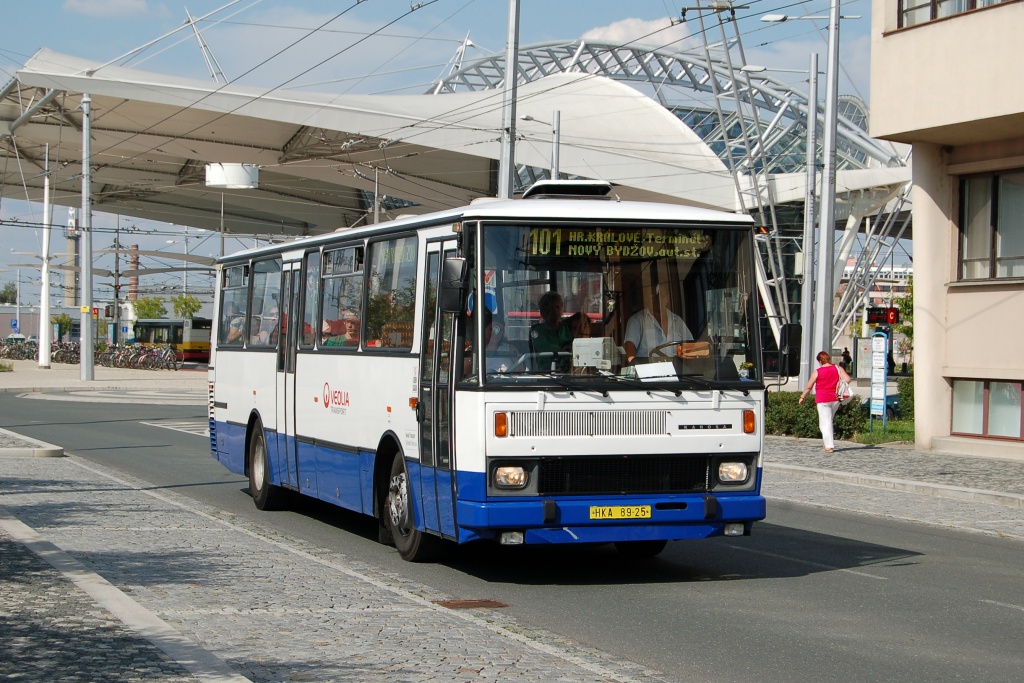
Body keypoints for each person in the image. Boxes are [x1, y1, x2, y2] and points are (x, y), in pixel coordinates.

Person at [798, 350, 853, 453]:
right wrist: (839, 385)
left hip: (823, 399)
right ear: (828, 359)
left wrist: (802, 397)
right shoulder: (837, 368)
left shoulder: (817, 372)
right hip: (835, 399)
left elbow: (809, 387)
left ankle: (829, 446)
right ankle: (826, 442)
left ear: (820, 361)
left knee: (825, 422)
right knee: (828, 421)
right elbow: (848, 379)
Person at [622, 284, 692, 363]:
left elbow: (690, 347)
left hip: (679, 372)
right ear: (647, 298)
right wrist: (635, 365)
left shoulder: (677, 320)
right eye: (653, 295)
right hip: (649, 372)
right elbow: (629, 348)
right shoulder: (637, 320)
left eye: (660, 295)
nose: (657, 299)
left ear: (667, 297)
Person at [530, 291, 572, 359]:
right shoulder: (536, 331)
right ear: (544, 310)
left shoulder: (565, 327)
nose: (555, 311)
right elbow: (546, 349)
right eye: (551, 308)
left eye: (557, 307)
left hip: (567, 367)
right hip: (546, 368)